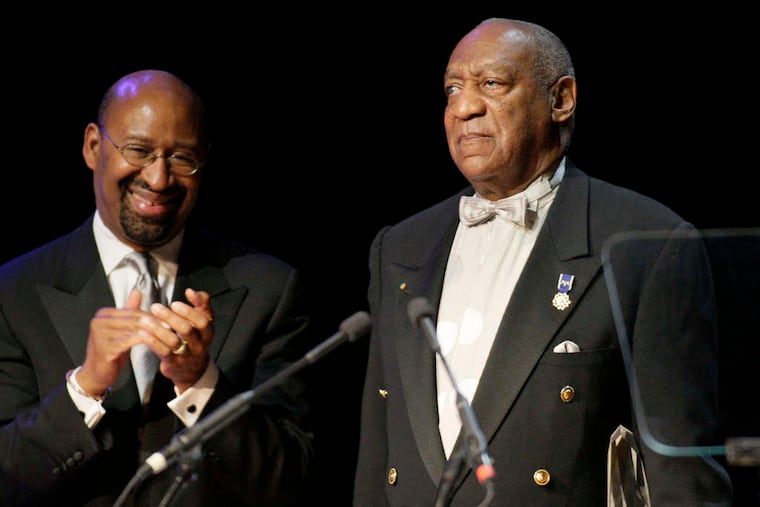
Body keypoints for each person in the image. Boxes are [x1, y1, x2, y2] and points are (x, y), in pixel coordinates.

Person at [353, 18, 733, 506]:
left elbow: (682, 478)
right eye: (452, 89)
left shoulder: (643, 242)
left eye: (492, 84)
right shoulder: (400, 247)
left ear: (561, 100)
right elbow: (376, 464)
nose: (464, 108)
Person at [0, 69, 315, 506]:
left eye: (182, 158)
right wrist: (84, 388)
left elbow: (294, 478)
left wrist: (200, 383)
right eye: (138, 150)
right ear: (93, 146)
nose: (159, 178)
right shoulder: (13, 292)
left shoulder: (269, 289)